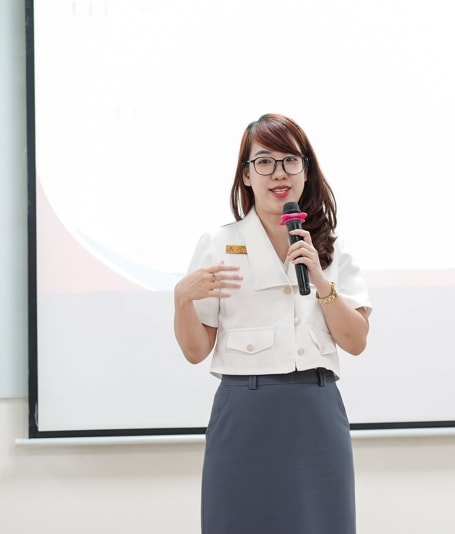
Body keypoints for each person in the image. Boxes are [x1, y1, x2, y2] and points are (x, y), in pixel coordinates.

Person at [173, 113, 372, 534]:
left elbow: (355, 342)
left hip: (316, 411)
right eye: (264, 161)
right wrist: (182, 300)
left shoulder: (333, 249)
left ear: (306, 170)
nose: (278, 173)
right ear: (246, 175)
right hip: (245, 412)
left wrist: (321, 281)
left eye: (289, 160)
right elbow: (195, 351)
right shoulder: (218, 243)